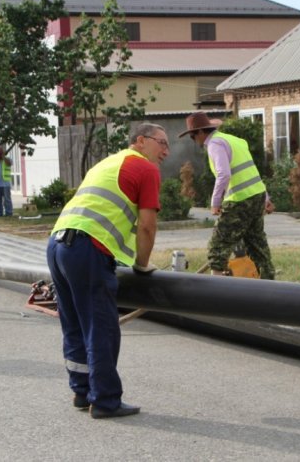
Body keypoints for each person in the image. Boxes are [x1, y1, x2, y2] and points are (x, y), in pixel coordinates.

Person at [47, 122, 169, 419]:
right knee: (100, 326)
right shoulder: (145, 169)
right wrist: (141, 264)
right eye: (162, 143)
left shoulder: (108, 162)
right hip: (88, 248)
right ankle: (104, 399)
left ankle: (81, 390)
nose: (166, 150)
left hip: (57, 243)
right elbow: (146, 226)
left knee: (75, 323)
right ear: (141, 141)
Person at [179, 111, 275, 279]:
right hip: (257, 196)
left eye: (192, 137)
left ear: (200, 132)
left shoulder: (215, 144)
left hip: (239, 200)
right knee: (257, 245)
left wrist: (215, 202)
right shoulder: (235, 141)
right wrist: (266, 197)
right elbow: (252, 171)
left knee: (218, 244)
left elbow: (224, 174)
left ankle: (215, 288)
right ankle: (270, 286)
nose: (194, 141)